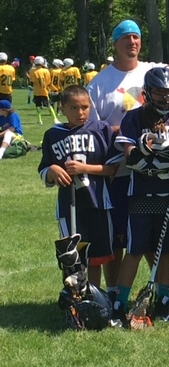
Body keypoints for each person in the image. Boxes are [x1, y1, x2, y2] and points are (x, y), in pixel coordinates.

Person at [86, 19, 169, 301]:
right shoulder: (99, 84)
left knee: (154, 237)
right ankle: (113, 293)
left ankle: (160, 287)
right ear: (116, 43)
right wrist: (124, 131)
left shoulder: (152, 71)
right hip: (120, 168)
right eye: (126, 38)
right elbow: (93, 130)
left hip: (156, 172)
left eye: (136, 37)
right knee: (123, 236)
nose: (132, 42)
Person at [111, 66, 169, 325]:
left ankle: (163, 299)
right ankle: (120, 301)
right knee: (135, 249)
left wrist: (164, 152)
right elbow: (132, 157)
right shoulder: (135, 117)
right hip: (141, 193)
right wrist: (165, 157)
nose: (164, 98)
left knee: (167, 250)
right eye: (159, 93)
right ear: (148, 93)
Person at [38, 85, 118, 287]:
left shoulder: (101, 130)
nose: (80, 112)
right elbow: (44, 171)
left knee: (97, 255)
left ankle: (95, 295)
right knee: (72, 255)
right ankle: (76, 299)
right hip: (69, 204)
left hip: (99, 201)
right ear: (62, 108)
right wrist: (53, 171)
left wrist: (85, 167)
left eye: (84, 107)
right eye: (73, 108)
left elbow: (111, 169)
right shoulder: (53, 134)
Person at [28, 56, 60, 125]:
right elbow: (48, 82)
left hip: (36, 91)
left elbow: (32, 81)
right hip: (44, 91)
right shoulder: (46, 71)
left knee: (37, 106)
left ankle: (39, 120)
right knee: (49, 105)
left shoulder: (32, 71)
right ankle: (55, 119)